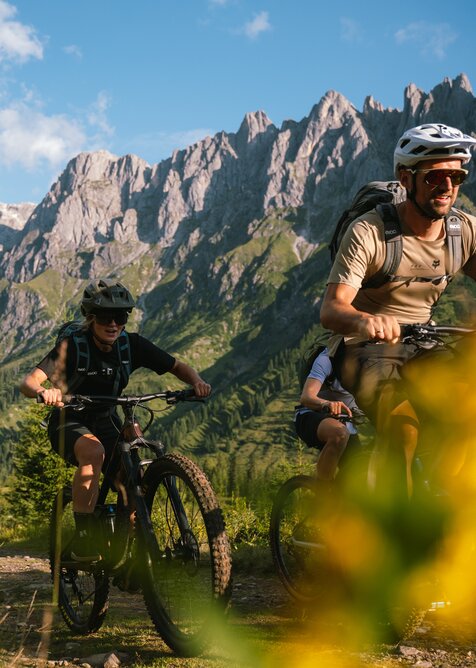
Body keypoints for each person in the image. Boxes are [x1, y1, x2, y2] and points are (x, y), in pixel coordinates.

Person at [320, 123, 476, 498]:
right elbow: (331, 309)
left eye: (456, 176)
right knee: (402, 428)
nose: (447, 188)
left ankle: (436, 504)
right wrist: (368, 320)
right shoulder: (370, 232)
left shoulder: (463, 231)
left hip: (424, 341)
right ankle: (397, 533)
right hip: (364, 349)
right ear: (407, 178)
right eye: (436, 177)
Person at [20, 279, 211, 562]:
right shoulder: (72, 346)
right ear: (91, 318)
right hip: (69, 419)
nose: (114, 324)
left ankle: (128, 538)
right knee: (94, 452)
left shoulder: (130, 345)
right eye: (106, 318)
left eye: (120, 317)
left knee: (133, 453)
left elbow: (176, 366)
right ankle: (85, 538)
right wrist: (44, 391)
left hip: (106, 417)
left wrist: (196, 381)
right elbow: (29, 382)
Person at [295, 347, 361, 481]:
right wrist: (327, 404)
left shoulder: (375, 362)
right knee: (339, 434)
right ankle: (323, 493)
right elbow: (306, 397)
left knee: (360, 466)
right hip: (311, 414)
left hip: (346, 421)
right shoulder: (327, 359)